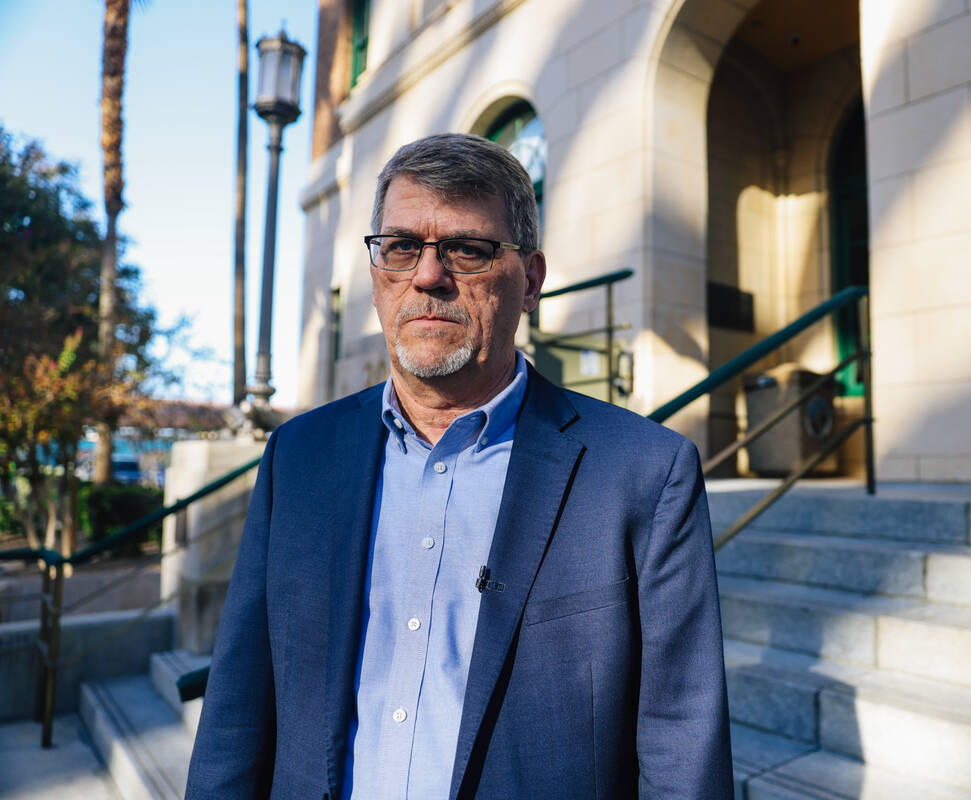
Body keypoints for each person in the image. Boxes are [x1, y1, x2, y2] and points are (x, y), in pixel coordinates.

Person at [185, 133, 733, 799]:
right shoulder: (299, 458)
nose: (427, 276)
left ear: (530, 279)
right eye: (401, 247)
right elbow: (237, 714)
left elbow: (681, 733)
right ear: (377, 271)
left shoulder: (644, 472)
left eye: (468, 250)